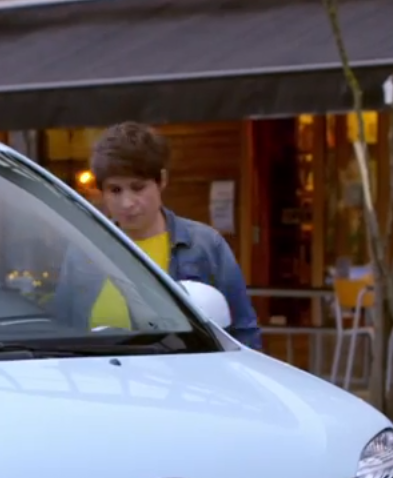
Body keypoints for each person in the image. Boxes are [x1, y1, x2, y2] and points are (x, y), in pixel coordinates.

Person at [54, 122, 262, 350]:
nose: (127, 203)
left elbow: (243, 332)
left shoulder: (204, 246)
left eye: (137, 187)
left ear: (161, 180)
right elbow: (62, 333)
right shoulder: (84, 251)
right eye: (115, 190)